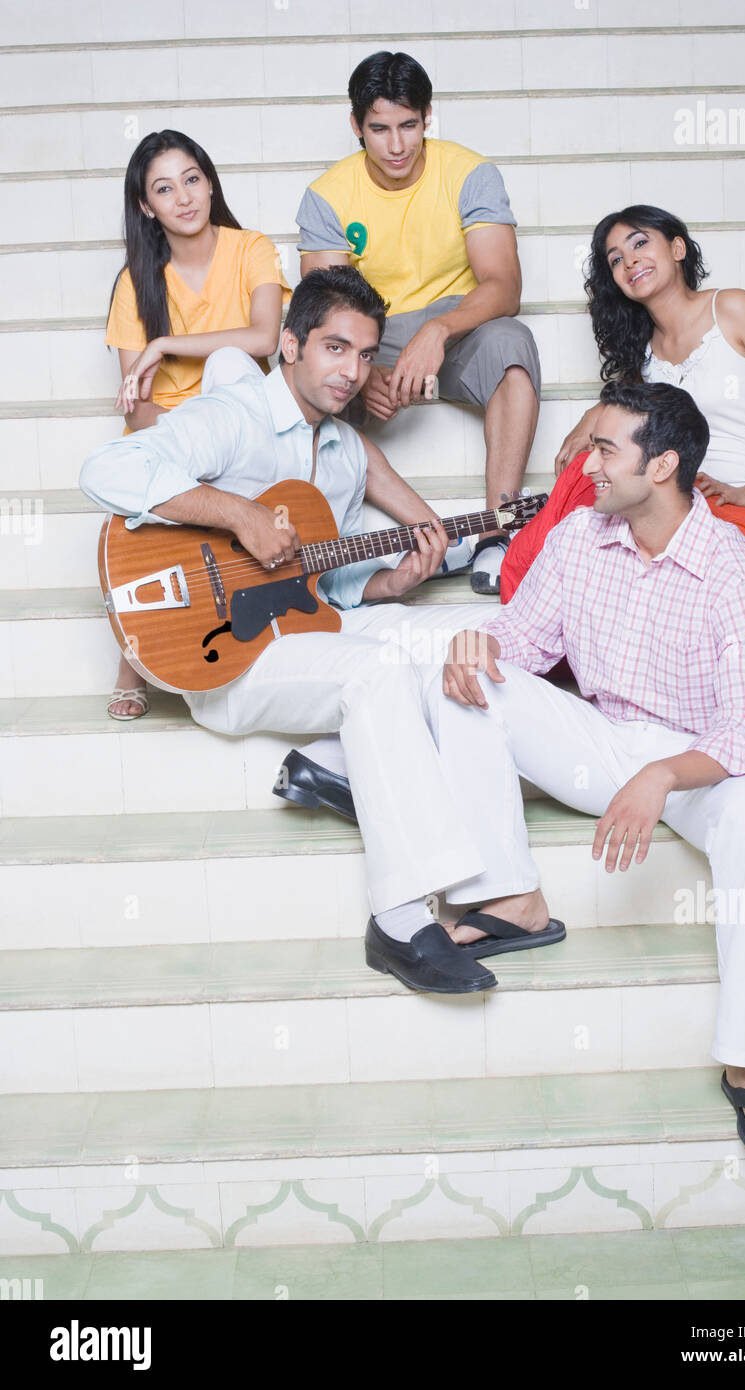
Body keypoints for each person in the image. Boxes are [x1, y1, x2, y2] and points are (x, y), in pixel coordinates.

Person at [81, 266, 563, 995]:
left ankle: (351, 769)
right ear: (290, 344)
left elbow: (321, 589)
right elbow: (109, 468)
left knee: (487, 629)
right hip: (224, 661)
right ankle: (401, 921)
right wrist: (238, 514)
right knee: (374, 676)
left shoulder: (339, 453)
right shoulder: (236, 416)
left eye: (365, 355)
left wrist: (393, 583)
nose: (351, 372)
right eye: (335, 348)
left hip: (305, 635)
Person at [431, 379, 745, 1154]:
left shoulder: (731, 570)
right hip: (601, 741)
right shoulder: (579, 536)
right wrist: (481, 644)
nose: (586, 464)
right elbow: (525, 643)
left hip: (703, 766)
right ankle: (512, 897)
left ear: (662, 464)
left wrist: (664, 774)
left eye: (605, 448)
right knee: (459, 681)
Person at [295, 49, 542, 596]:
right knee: (305, 365)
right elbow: (324, 309)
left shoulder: (470, 172)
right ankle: (343, 559)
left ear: (428, 117)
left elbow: (504, 286)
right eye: (380, 129)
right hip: (373, 333)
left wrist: (439, 330)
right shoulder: (327, 196)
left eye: (409, 125)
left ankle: (499, 530)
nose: (398, 145)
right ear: (356, 125)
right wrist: (363, 369)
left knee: (513, 344)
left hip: (458, 324)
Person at [501, 205, 745, 603]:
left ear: (678, 249)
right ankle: (530, 608)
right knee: (583, 478)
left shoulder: (732, 309)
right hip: (680, 504)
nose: (630, 261)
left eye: (641, 243)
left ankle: (534, 609)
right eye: (616, 259)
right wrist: (592, 419)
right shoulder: (645, 355)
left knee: (598, 536)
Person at [104, 128, 291, 718]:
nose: (183, 198)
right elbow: (137, 406)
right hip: (180, 433)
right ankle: (138, 654)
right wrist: (186, 442)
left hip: (246, 425)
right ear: (145, 205)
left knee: (233, 364)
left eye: (192, 179)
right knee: (155, 476)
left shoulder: (251, 248)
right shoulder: (136, 281)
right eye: (164, 188)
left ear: (209, 182)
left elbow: (266, 338)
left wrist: (166, 343)